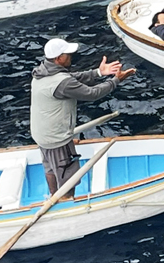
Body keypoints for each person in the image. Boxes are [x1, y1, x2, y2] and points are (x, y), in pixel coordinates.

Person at [30, 37, 135, 196]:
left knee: (50, 167)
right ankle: (66, 200)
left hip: (41, 135)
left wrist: (99, 72)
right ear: (59, 58)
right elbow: (93, 94)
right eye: (67, 54)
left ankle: (53, 195)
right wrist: (115, 80)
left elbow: (73, 77)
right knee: (68, 176)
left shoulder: (41, 72)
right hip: (56, 139)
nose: (71, 56)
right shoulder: (62, 83)